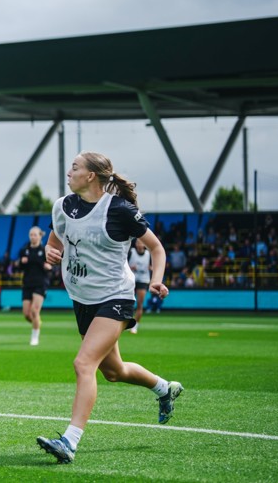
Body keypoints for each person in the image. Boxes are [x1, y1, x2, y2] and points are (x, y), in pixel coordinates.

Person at [37, 151, 181, 464]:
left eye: (74, 167)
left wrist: (157, 280)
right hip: (82, 300)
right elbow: (54, 242)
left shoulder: (119, 210)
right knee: (114, 372)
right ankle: (164, 388)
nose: (69, 172)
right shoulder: (62, 206)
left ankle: (69, 441)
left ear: (90, 176)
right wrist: (50, 251)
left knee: (83, 363)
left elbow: (157, 248)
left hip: (115, 297)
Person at [18, 226, 51, 346]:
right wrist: (21, 263)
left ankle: (35, 337)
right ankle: (37, 323)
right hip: (27, 283)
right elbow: (19, 267)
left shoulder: (44, 250)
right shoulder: (24, 250)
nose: (33, 237)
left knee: (34, 310)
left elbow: (51, 266)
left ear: (40, 236)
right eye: (31, 234)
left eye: (35, 234)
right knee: (27, 314)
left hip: (41, 283)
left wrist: (48, 267)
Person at [127, 238, 152, 334]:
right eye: (137, 242)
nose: (139, 244)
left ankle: (135, 325)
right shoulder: (131, 252)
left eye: (141, 242)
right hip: (131, 279)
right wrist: (130, 267)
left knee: (140, 304)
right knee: (128, 302)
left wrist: (151, 268)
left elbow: (153, 266)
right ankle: (127, 323)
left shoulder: (148, 254)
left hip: (143, 280)